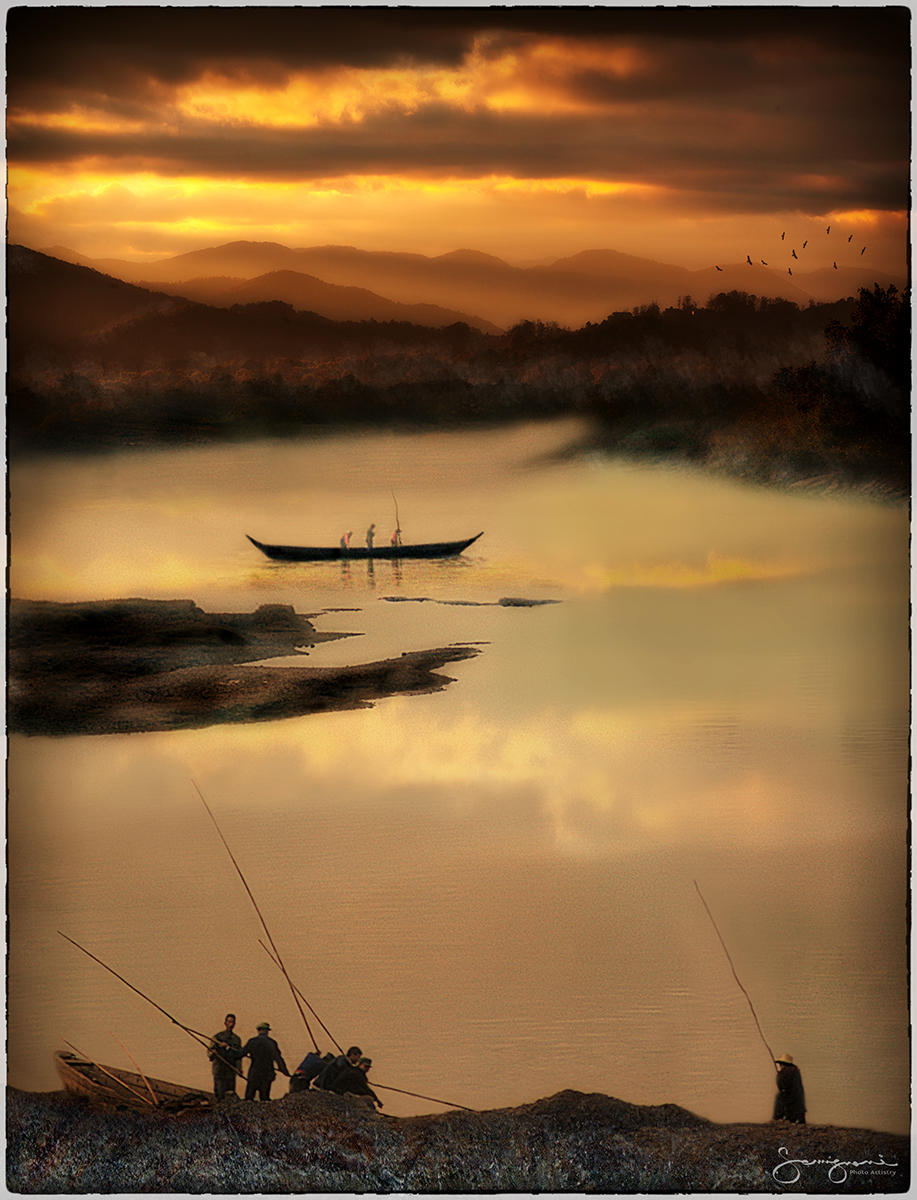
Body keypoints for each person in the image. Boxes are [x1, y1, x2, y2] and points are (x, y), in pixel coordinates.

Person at [241, 1022, 290, 1102]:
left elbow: (240, 1053)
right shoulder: (272, 1043)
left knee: (249, 1099)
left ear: (258, 1031)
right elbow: (278, 1059)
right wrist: (286, 1072)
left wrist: (228, 1049)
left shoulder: (252, 1042)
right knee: (264, 1099)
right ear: (267, 1031)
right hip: (266, 1075)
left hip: (254, 1075)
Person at [208, 1012, 242, 1101]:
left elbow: (238, 1055)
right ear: (225, 1023)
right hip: (219, 1070)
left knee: (230, 1095)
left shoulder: (237, 1039)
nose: (231, 1024)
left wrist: (239, 1068)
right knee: (219, 1095)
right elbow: (210, 1053)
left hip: (231, 1070)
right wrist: (216, 1050)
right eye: (229, 1022)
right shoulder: (217, 1037)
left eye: (233, 1022)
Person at [773, 1053, 806, 1123]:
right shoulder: (795, 1071)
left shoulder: (786, 1072)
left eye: (781, 1064)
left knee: (779, 1096)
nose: (780, 1065)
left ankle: (779, 1117)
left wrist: (779, 1075)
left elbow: (782, 1086)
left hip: (791, 1097)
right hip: (798, 1098)